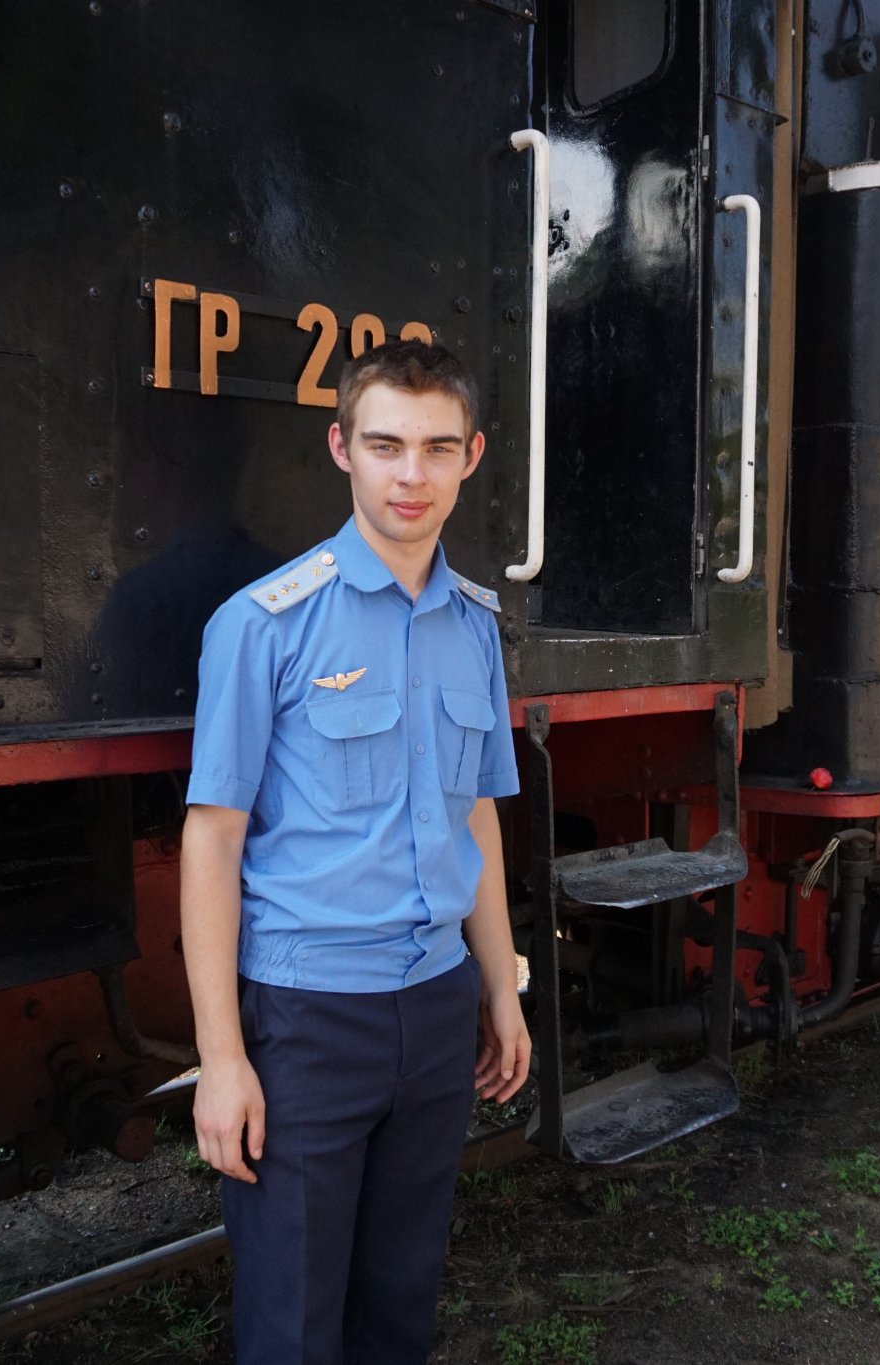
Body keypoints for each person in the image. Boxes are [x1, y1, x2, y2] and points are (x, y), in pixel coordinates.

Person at [179, 339, 531, 1364]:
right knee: (292, 1324)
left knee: (399, 1304)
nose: (410, 475)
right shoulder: (263, 625)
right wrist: (222, 1060)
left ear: (471, 457)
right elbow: (211, 841)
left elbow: (475, 814)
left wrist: (499, 988)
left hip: (436, 1007)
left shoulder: (475, 627)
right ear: (342, 448)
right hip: (308, 1020)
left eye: (436, 448)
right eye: (384, 445)